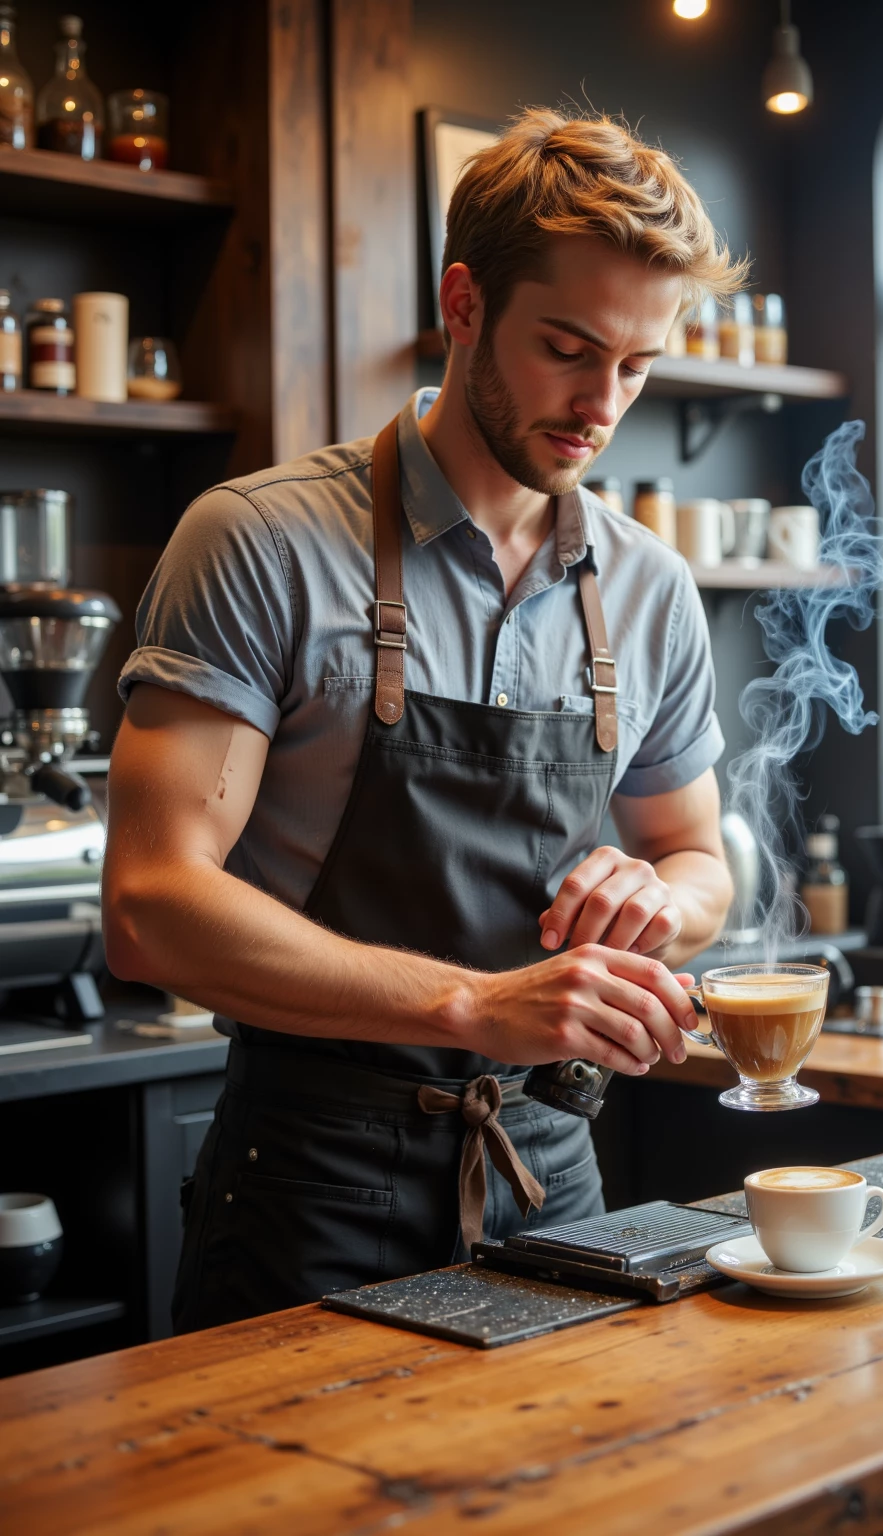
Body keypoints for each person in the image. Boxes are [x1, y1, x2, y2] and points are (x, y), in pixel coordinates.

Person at [103, 108, 741, 1332]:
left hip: (556, 1174)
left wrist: (662, 899)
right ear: (463, 304)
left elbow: (698, 858)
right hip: (308, 1180)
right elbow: (148, 908)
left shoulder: (650, 588)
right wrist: (471, 1004)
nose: (602, 404)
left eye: (639, 366)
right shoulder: (262, 541)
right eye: (568, 346)